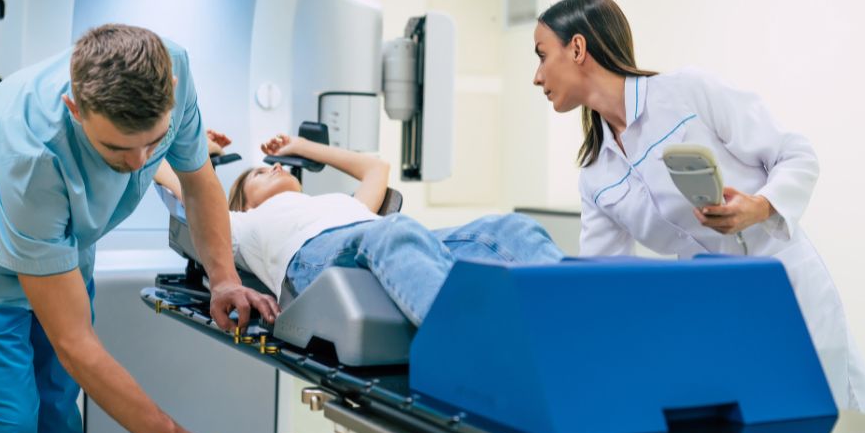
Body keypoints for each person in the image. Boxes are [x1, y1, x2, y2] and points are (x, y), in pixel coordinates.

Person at [0, 24, 277, 433]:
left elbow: (198, 180)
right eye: (116, 149)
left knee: (57, 423)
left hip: (61, 253)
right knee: (10, 430)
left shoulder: (173, 67)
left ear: (175, 92)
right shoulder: (29, 153)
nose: (137, 163)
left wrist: (223, 279)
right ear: (74, 108)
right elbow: (74, 342)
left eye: (152, 142)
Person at [531, 0, 865, 418]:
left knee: (840, 429)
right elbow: (603, 279)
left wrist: (760, 206)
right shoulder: (596, 173)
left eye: (541, 55)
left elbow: (796, 155)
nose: (537, 77)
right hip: (715, 311)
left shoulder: (686, 92)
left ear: (578, 48)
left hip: (787, 287)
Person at [156, 133, 564, 325]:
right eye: (263, 172)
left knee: (509, 229)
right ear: (243, 201)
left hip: (382, 241)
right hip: (321, 259)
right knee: (395, 231)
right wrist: (202, 152)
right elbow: (169, 177)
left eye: (278, 164)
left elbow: (376, 169)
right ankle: (462, 350)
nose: (277, 167)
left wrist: (299, 146)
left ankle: (573, 319)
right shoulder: (240, 224)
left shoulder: (338, 203)